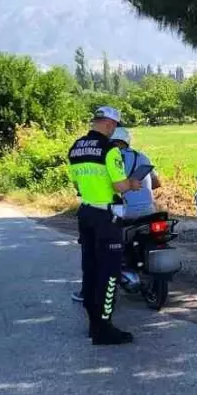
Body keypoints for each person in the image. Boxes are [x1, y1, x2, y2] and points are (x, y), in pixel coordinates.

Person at [66, 106, 141, 346]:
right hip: (107, 217)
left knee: (90, 268)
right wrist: (133, 183)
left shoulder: (76, 148)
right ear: (109, 124)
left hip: (86, 212)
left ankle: (93, 324)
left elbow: (77, 185)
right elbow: (120, 186)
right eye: (114, 127)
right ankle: (104, 328)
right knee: (109, 273)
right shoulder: (110, 150)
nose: (113, 131)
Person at [111, 127, 163, 219]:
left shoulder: (110, 158)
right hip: (148, 210)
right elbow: (156, 183)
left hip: (124, 212)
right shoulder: (142, 156)